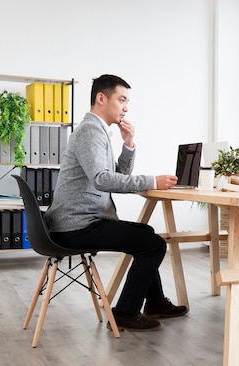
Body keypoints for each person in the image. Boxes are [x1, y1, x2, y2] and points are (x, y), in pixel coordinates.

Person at [44, 74, 187, 333]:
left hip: (80, 222)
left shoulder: (97, 130)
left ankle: (154, 302)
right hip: (77, 226)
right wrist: (152, 180)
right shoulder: (90, 130)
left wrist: (128, 145)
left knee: (146, 235)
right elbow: (102, 180)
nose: (126, 107)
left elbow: (116, 175)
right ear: (101, 98)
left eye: (127, 101)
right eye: (122, 99)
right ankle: (124, 312)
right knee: (152, 245)